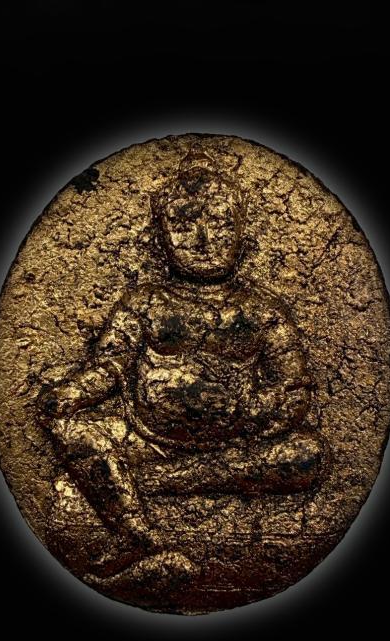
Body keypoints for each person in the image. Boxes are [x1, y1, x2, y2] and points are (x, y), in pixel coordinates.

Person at [38, 147, 328, 577]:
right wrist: (71, 393)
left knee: (308, 454)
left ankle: (160, 482)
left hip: (235, 446)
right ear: (160, 236)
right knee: (75, 430)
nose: (203, 240)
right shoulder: (145, 303)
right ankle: (137, 535)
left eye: (220, 224)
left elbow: (294, 392)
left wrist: (254, 414)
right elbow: (109, 368)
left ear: (242, 234)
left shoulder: (262, 312)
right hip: (145, 438)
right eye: (184, 225)